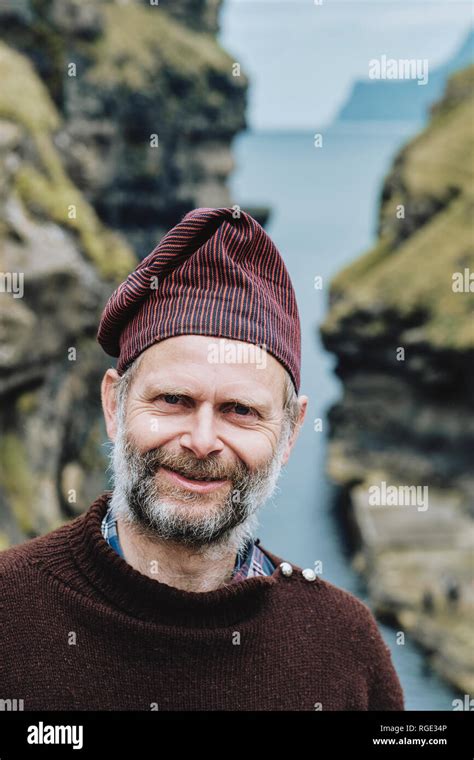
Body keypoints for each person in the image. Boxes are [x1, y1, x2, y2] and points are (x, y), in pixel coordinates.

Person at [0, 207, 404, 710]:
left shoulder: (344, 645)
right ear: (113, 405)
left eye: (240, 410)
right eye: (173, 400)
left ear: (291, 431)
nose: (202, 440)